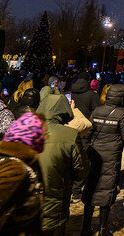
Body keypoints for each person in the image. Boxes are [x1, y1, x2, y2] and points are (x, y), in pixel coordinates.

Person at [81, 84, 124, 236]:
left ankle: (85, 228)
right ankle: (103, 229)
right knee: (107, 191)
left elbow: (88, 133)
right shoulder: (121, 113)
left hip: (94, 155)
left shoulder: (97, 110)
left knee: (90, 189)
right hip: (111, 157)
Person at [37, 91, 88, 235]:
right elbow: (82, 170)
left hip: (29, 204)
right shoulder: (69, 135)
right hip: (56, 200)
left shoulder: (24, 130)